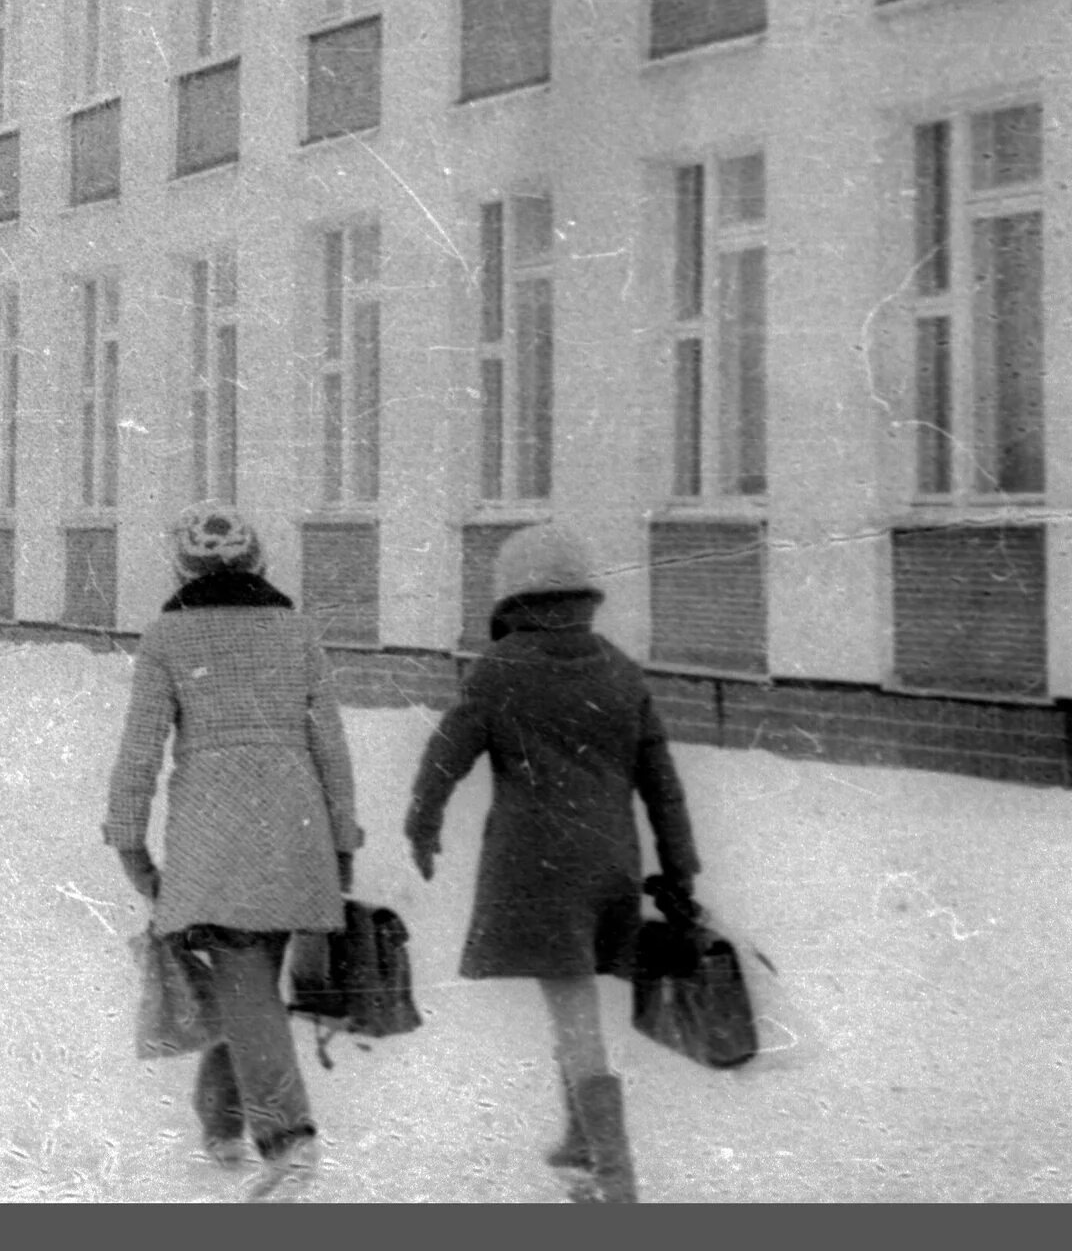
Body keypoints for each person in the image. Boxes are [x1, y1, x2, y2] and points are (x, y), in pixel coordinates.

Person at [402, 523, 703, 1205]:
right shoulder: (621, 670)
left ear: (513, 596)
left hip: (536, 867)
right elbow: (662, 781)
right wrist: (679, 867)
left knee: (573, 1011)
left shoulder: (500, 670)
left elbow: (445, 756)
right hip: (611, 865)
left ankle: (612, 1169)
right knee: (571, 1002)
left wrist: (422, 824)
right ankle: (578, 1138)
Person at [101, 503, 363, 1203]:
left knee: (241, 976)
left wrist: (128, 841)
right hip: (296, 825)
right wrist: (342, 842)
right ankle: (221, 1120)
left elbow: (139, 752)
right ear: (258, 562)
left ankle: (288, 1138)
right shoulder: (298, 631)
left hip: (213, 835)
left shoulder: (167, 637)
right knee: (251, 974)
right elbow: (330, 748)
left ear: (182, 568)